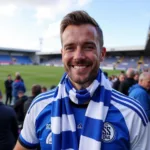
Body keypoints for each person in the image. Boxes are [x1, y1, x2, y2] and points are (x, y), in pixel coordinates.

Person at [14, 10, 150, 150]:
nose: (78, 56)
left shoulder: (132, 114)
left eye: (88, 47)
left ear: (102, 54)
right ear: (62, 54)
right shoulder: (39, 106)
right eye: (70, 48)